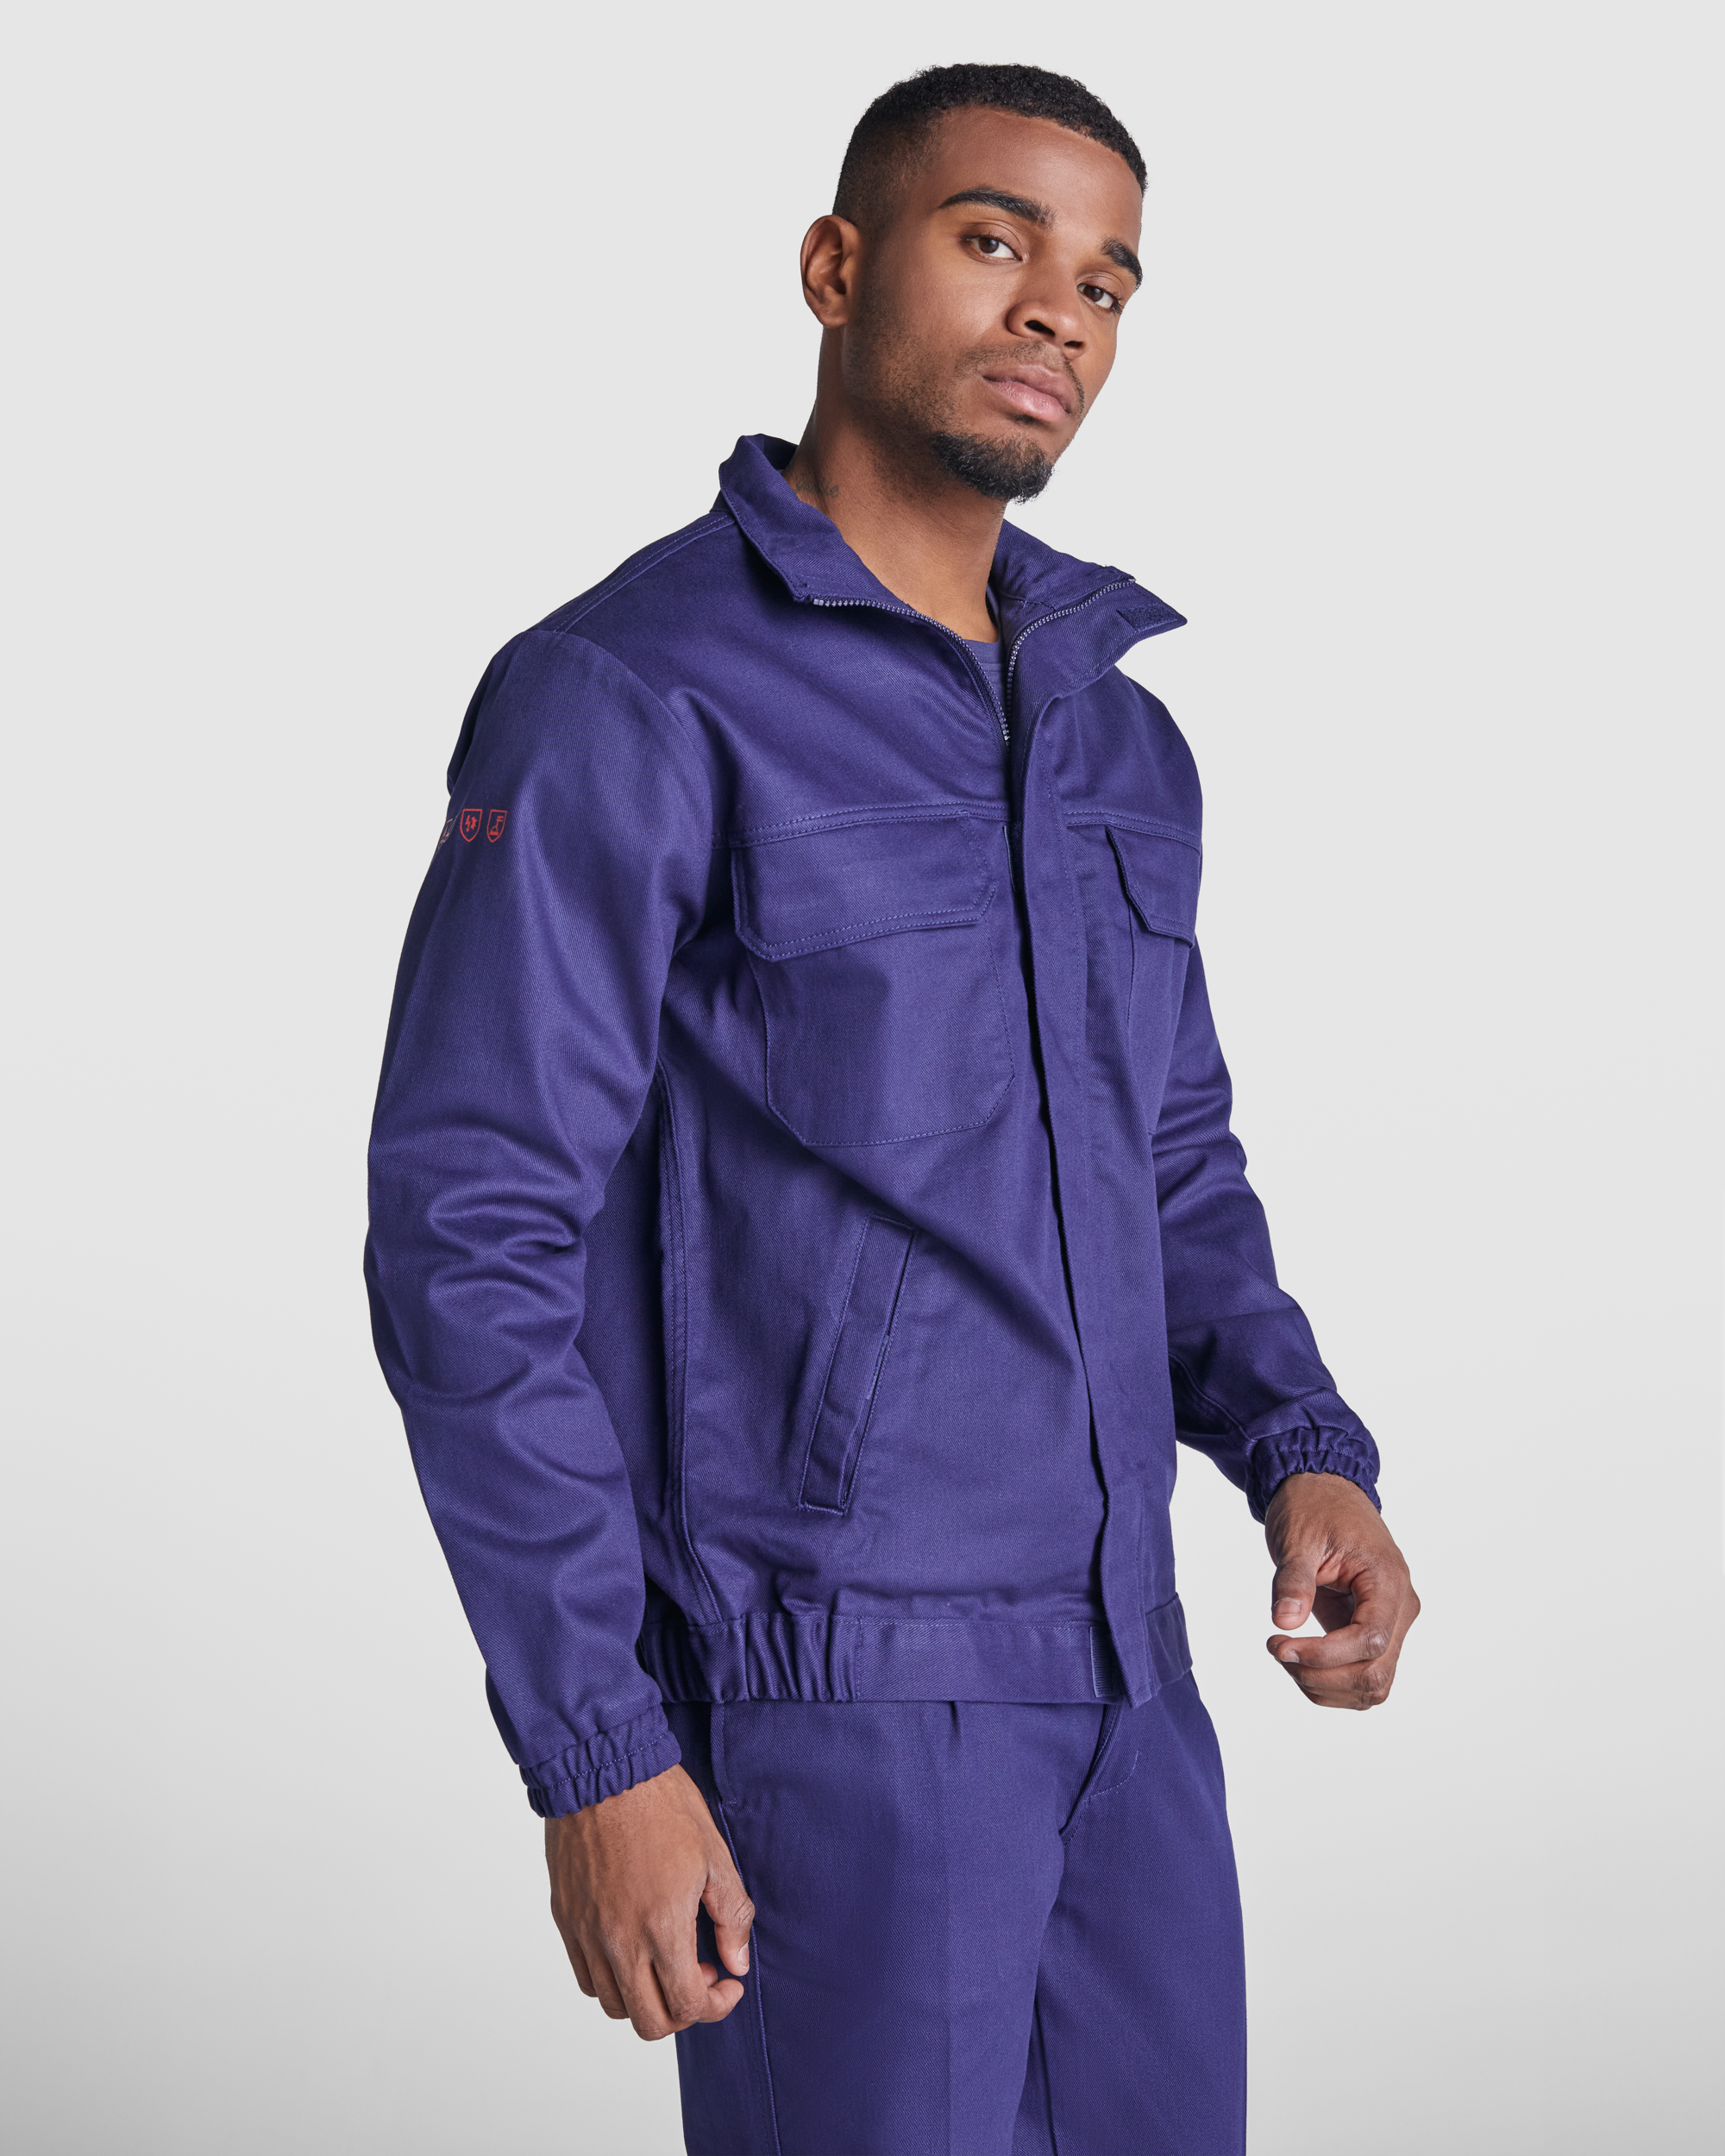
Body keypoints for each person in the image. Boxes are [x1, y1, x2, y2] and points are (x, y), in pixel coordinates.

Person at [365, 61, 1420, 2156]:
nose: (1055, 312)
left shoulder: (1118, 741)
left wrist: (1304, 1452)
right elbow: (468, 1230)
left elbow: (1169, 1159)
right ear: (836, 267)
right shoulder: (630, 692)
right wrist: (599, 1744)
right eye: (991, 238)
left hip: (1130, 1689)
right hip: (826, 1694)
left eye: (1105, 281)